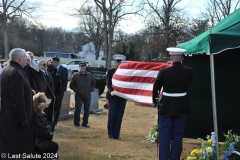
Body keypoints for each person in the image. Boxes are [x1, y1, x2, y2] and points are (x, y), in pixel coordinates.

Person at [152, 47, 193, 160]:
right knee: (177, 135)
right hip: (182, 105)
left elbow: (156, 87)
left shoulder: (164, 72)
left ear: (171, 58)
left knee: (164, 135)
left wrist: (155, 100)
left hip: (166, 105)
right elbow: (189, 82)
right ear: (181, 58)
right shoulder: (189, 71)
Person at [0, 48, 34, 154]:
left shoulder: (7, 68)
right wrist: (22, 118)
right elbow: (17, 99)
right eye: (25, 57)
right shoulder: (15, 72)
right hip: (14, 117)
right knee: (13, 145)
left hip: (8, 114)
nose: (27, 60)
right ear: (19, 59)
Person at [106, 54, 127, 139]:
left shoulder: (126, 72)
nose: (119, 63)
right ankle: (111, 134)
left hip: (122, 97)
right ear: (115, 62)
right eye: (118, 61)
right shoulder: (111, 71)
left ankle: (116, 134)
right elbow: (108, 83)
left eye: (121, 61)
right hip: (113, 96)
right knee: (112, 116)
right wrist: (112, 91)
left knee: (119, 116)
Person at [70, 61, 96, 127]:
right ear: (79, 67)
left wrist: (91, 89)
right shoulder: (75, 75)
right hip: (79, 95)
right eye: (81, 66)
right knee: (78, 109)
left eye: (84, 65)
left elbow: (94, 83)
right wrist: (77, 91)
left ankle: (85, 123)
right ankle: (76, 123)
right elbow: (71, 85)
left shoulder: (90, 75)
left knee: (87, 110)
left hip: (88, 95)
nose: (83, 67)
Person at [33, 92, 58, 159]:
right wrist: (51, 126)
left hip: (31, 140)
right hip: (36, 142)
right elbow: (48, 135)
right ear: (41, 105)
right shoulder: (39, 117)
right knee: (54, 146)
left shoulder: (32, 113)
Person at [51, 57, 68, 125]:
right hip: (52, 91)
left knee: (58, 106)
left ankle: (55, 121)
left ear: (55, 62)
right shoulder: (51, 69)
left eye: (52, 62)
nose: (51, 63)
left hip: (59, 92)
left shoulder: (63, 69)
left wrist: (62, 90)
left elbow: (65, 80)